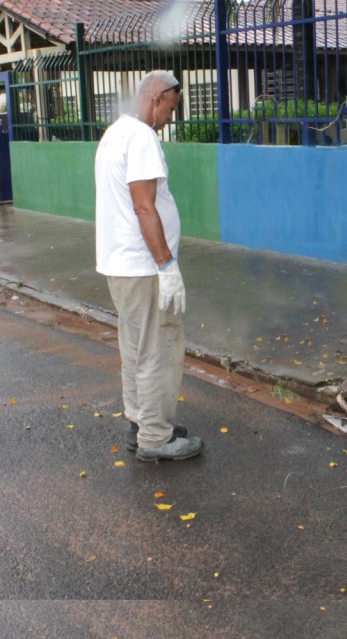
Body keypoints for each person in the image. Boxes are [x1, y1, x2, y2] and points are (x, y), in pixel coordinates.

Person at [94, 70, 203, 462]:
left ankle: (142, 423)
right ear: (157, 97)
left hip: (120, 265)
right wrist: (167, 265)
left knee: (136, 347)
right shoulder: (141, 137)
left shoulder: (114, 133)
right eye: (171, 108)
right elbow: (144, 206)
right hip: (143, 266)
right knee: (158, 349)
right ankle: (156, 438)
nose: (170, 118)